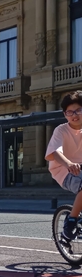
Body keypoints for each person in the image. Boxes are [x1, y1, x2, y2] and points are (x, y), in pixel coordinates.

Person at [45, 90, 82, 242]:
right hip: (64, 170)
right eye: (70, 112)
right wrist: (69, 163)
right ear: (65, 114)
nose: (74, 115)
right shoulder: (61, 130)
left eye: (78, 110)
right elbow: (55, 152)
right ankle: (70, 223)